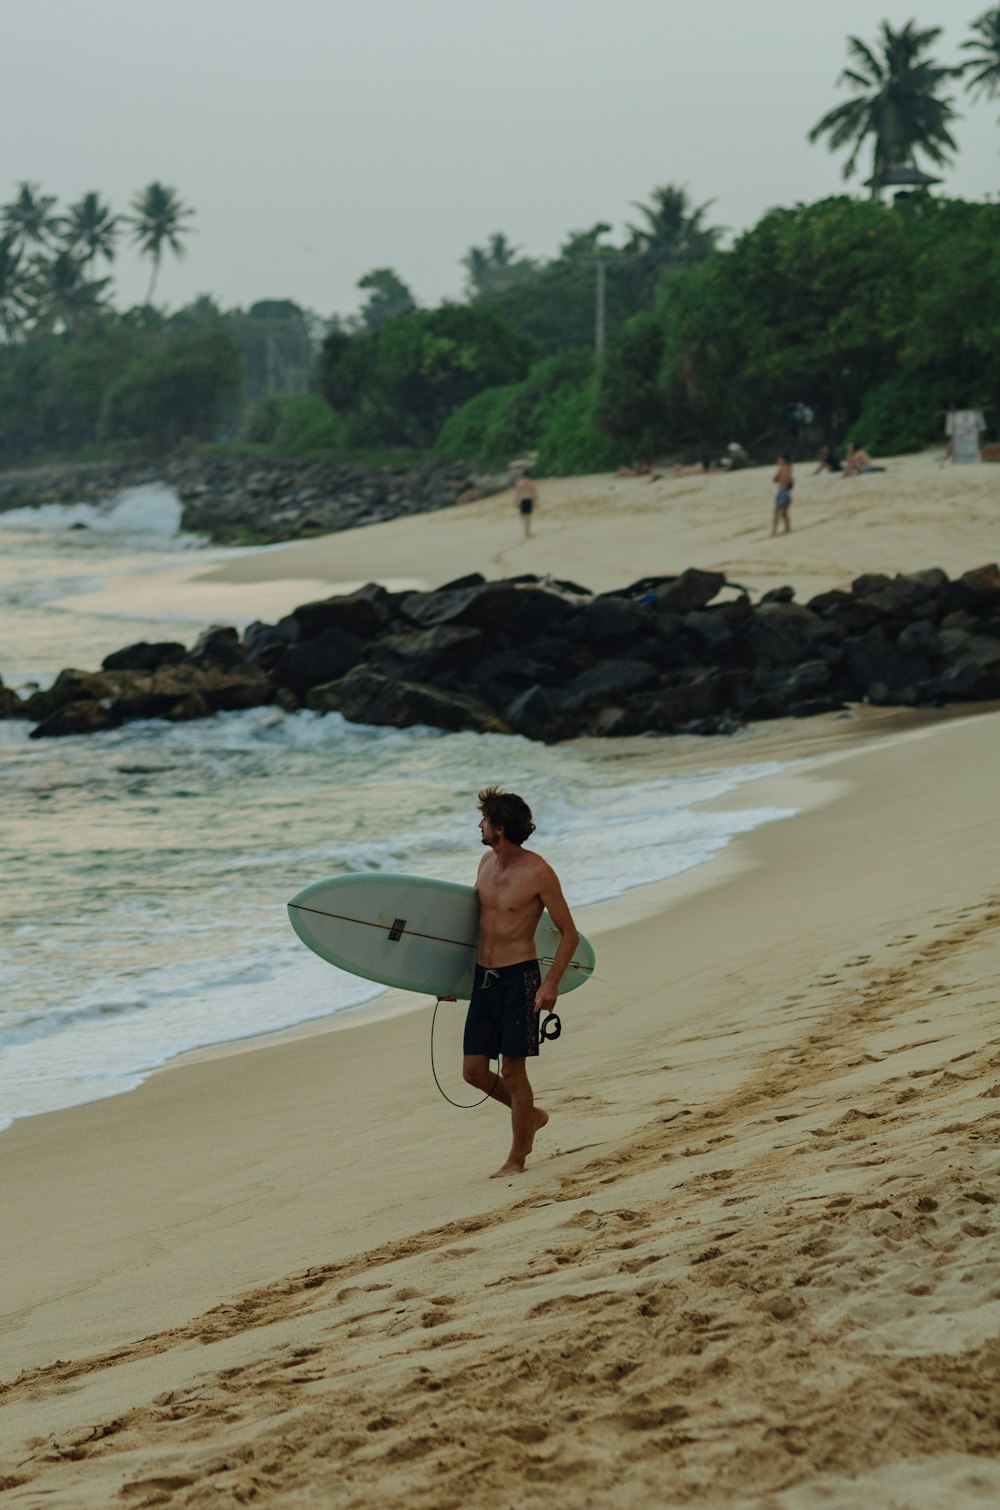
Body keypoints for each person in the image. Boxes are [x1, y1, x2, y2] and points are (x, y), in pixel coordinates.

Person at [463, 786, 579, 1178]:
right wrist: (448, 980)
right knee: (474, 1072)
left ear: (500, 827)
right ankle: (530, 1116)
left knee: (513, 1071)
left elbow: (569, 933)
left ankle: (516, 1158)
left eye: (485, 820)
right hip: (484, 979)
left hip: (520, 979)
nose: (479, 825)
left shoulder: (538, 872)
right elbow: (471, 930)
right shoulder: (484, 863)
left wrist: (551, 985)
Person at [772, 455, 793, 535]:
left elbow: (775, 479)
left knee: (777, 511)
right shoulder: (789, 468)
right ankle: (787, 528)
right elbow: (791, 481)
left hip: (782, 491)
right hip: (787, 491)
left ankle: (774, 531)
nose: (778, 460)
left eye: (779, 459)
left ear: (783, 460)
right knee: (784, 512)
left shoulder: (781, 468)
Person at [514, 470, 537, 538]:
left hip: (523, 500)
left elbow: (517, 493)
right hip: (529, 500)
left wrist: (516, 502)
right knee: (529, 517)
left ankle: (525, 531)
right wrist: (536, 501)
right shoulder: (531, 482)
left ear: (523, 475)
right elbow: (534, 492)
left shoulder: (519, 483)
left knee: (524, 517)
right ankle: (528, 532)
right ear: (529, 475)